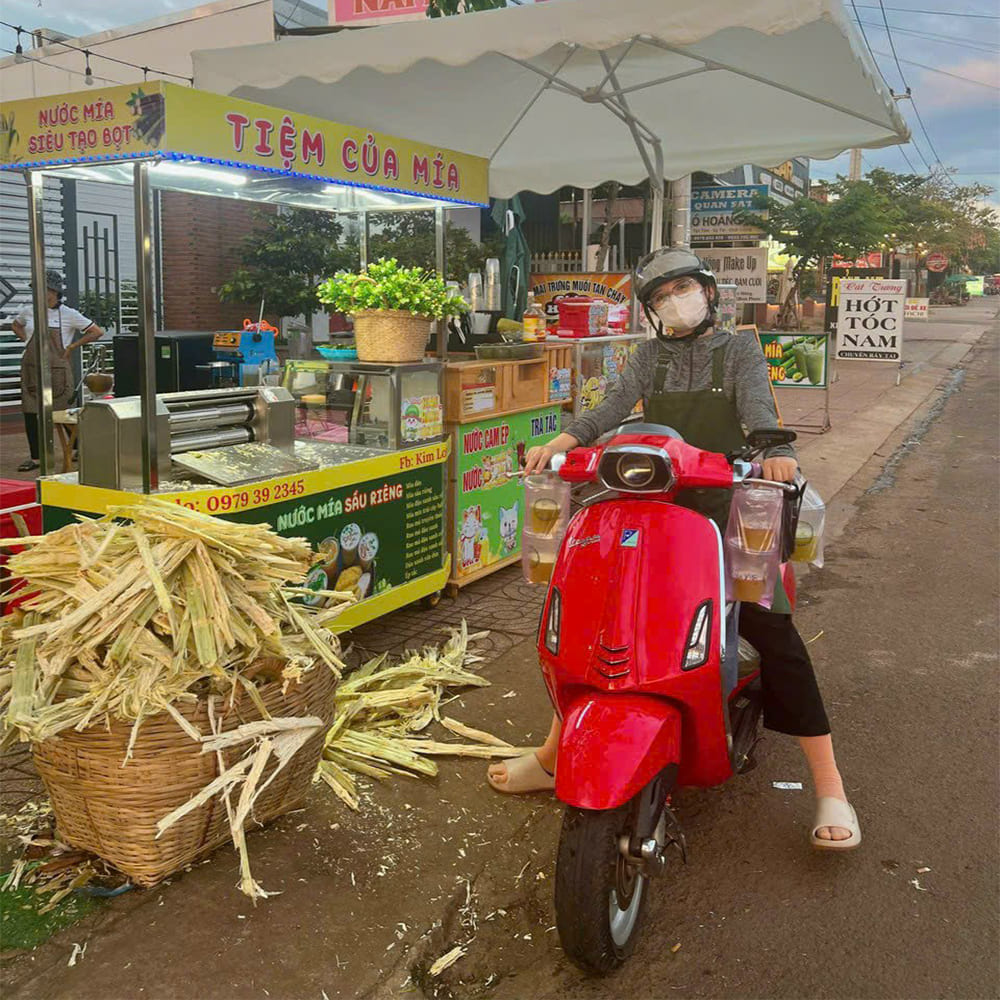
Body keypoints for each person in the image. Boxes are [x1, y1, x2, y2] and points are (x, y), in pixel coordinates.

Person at [487, 247, 860, 851]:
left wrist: (771, 448)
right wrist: (564, 436)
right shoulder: (647, 356)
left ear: (709, 293)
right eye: (659, 296)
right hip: (656, 507)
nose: (672, 302)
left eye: (682, 288)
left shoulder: (739, 348)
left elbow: (758, 406)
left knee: (774, 632)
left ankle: (829, 783)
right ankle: (557, 752)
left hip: (731, 506)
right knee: (597, 617)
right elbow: (611, 406)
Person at [12, 271, 103, 472]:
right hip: (31, 369)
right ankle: (36, 457)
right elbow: (16, 325)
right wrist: (26, 341)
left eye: (42, 289)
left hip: (58, 372)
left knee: (62, 413)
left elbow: (96, 332)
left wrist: (71, 347)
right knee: (31, 412)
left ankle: (78, 448)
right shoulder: (28, 312)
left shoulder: (69, 314)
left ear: (53, 292)